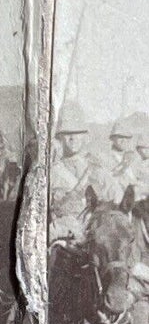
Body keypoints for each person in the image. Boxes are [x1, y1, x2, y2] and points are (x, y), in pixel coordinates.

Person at [49, 102, 112, 243]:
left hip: (97, 237)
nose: (73, 139)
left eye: (78, 134)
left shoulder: (97, 169)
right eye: (67, 134)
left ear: (85, 137)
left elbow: (117, 198)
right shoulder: (51, 173)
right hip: (63, 237)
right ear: (59, 138)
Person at [106, 115, 143, 204]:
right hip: (115, 203)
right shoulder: (106, 157)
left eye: (126, 137)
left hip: (135, 202)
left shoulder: (134, 158)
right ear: (112, 138)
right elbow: (108, 180)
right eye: (120, 137)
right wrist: (123, 165)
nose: (124, 140)